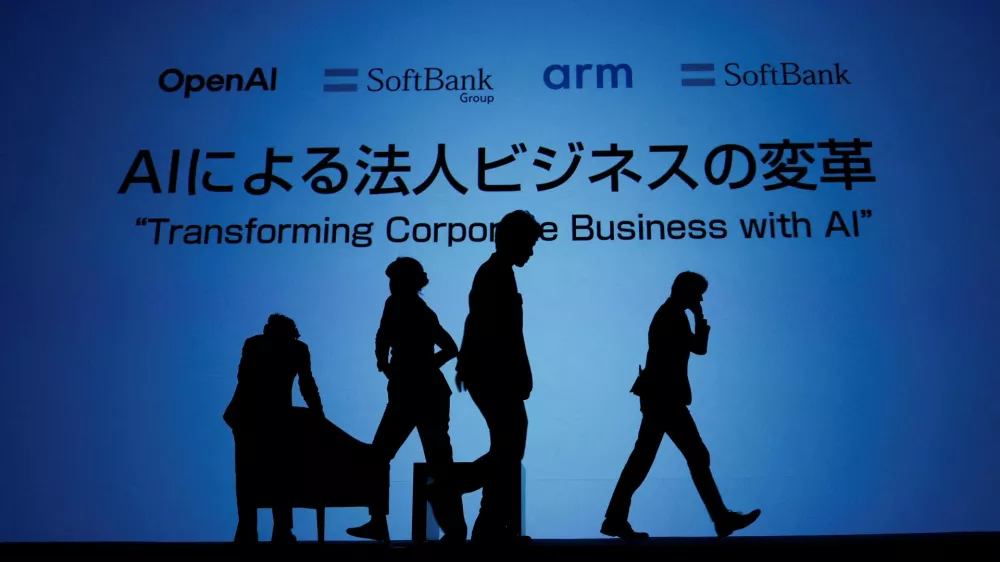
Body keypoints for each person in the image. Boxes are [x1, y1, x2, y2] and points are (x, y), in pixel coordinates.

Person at [601, 272, 760, 539]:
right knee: (690, 456)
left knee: (646, 459)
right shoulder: (672, 316)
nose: (699, 299)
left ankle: (615, 518)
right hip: (665, 398)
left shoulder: (671, 314)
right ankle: (721, 519)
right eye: (697, 294)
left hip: (660, 397)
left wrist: (698, 318)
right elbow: (699, 348)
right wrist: (699, 318)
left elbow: (696, 348)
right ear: (685, 291)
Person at [346, 258, 467, 543]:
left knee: (389, 457)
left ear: (405, 281)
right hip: (420, 391)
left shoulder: (410, 307)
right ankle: (453, 530)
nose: (391, 284)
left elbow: (449, 348)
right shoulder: (406, 306)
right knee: (436, 461)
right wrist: (387, 362)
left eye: (395, 279)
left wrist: (413, 367)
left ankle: (385, 523)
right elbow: (385, 336)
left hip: (417, 393)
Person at [455, 210, 542, 543]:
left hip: (491, 373)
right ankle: (452, 490)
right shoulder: (494, 274)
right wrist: (519, 371)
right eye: (529, 244)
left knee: (507, 447)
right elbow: (494, 330)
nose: (531, 252)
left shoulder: (498, 272)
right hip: (494, 375)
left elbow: (476, 322)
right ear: (515, 240)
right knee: (509, 447)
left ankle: (490, 524)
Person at [223, 314, 325, 544]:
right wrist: (318, 412)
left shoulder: (266, 345)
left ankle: (263, 530)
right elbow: (306, 383)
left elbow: (306, 383)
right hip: (256, 417)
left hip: (263, 417)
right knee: (268, 473)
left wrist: (318, 411)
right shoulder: (275, 346)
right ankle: (267, 530)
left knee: (266, 473)